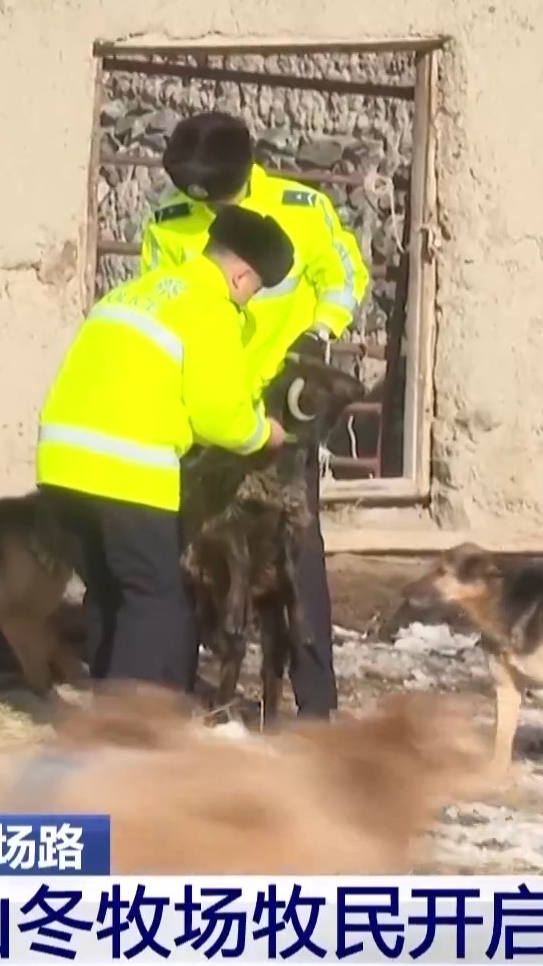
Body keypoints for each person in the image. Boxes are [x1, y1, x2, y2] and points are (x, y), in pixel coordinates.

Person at [139, 111, 370, 720]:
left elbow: (344, 276)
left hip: (281, 411)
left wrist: (321, 331)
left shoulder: (302, 209)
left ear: (243, 173)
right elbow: (163, 301)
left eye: (215, 193)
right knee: (195, 552)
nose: (205, 206)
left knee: (298, 555)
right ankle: (181, 697)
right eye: (196, 196)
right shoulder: (169, 220)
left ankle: (316, 709)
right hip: (206, 412)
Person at [36, 205, 295, 693]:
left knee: (108, 593)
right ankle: (128, 725)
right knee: (153, 600)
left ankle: (107, 708)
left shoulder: (131, 293)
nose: (248, 299)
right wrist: (264, 434)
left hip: (60, 468)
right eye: (255, 289)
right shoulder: (209, 306)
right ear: (241, 275)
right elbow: (218, 414)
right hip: (126, 471)